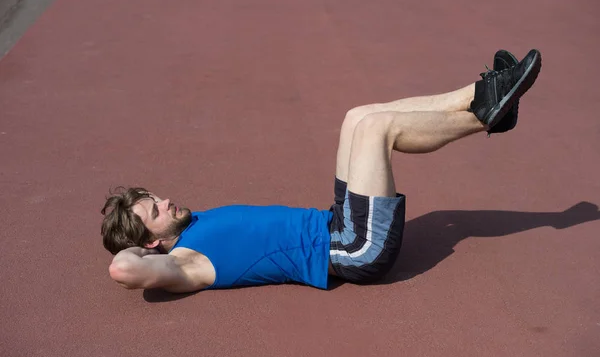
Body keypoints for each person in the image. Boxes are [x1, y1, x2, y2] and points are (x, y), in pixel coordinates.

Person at [101, 49, 542, 293]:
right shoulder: (185, 262)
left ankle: (482, 92)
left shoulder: (194, 223)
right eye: (153, 212)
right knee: (377, 129)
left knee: (356, 117)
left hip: (337, 223)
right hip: (354, 250)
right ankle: (486, 115)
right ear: (153, 240)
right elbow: (123, 269)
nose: (164, 201)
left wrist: (148, 231)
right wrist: (144, 252)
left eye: (154, 197)